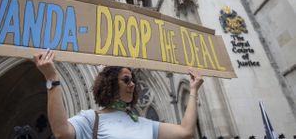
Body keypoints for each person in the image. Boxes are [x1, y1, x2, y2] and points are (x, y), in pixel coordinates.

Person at [33, 49, 204, 139]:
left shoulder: (145, 124)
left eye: (132, 80)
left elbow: (186, 131)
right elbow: (62, 132)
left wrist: (194, 90)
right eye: (127, 80)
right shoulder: (91, 119)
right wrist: (52, 78)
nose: (133, 84)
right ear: (111, 84)